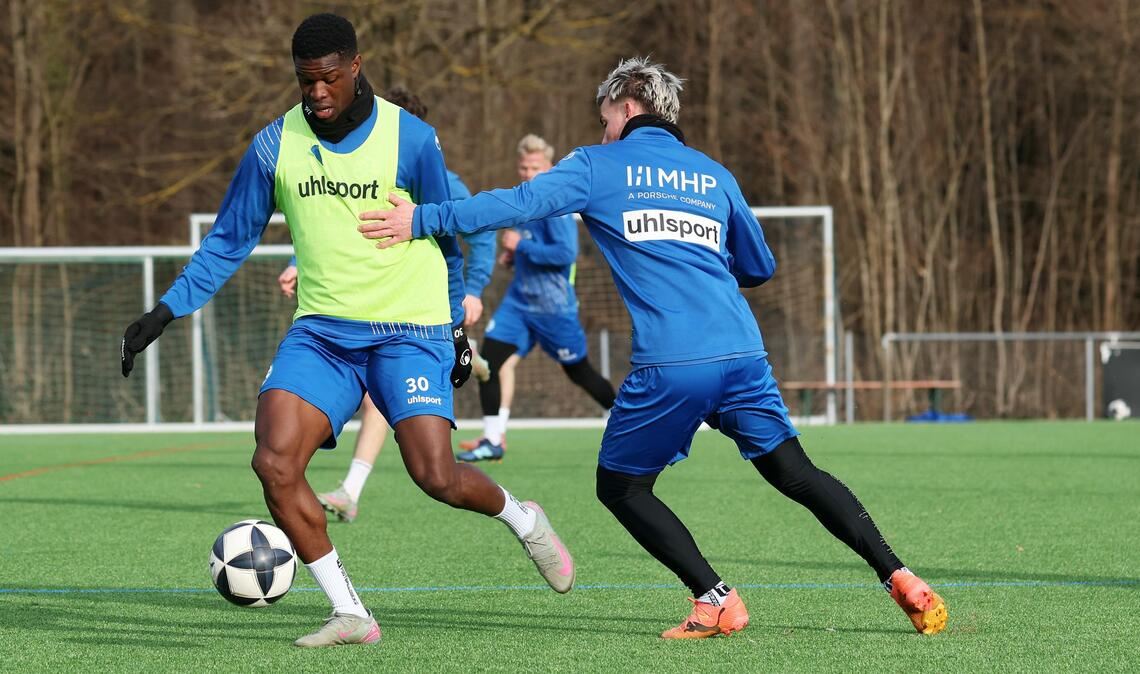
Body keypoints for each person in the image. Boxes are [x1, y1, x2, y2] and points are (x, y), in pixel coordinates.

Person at [355, 56, 948, 639]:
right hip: (742, 352)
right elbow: (759, 265)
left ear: (627, 104)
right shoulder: (712, 173)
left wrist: (424, 218)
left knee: (621, 488)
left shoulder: (597, 165)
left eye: (605, 116)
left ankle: (716, 599)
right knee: (796, 472)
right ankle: (900, 574)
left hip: (672, 362)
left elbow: (519, 203)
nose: (602, 129)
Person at [120, 13, 573, 647]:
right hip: (322, 334)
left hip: (408, 330)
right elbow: (227, 241)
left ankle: (523, 519)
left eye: (329, 79)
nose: (318, 94)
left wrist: (453, 328)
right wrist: (164, 311)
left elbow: (445, 232)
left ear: (355, 67)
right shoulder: (274, 145)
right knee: (274, 462)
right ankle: (350, 612)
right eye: (306, 82)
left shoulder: (410, 138)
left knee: (436, 476)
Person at [281, 86, 496, 523]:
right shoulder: (352, 161)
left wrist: (472, 291)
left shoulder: (442, 178)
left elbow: (476, 235)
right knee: (371, 402)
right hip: (363, 312)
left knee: (421, 454)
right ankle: (350, 489)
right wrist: (296, 261)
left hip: (419, 316)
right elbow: (334, 223)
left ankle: (350, 489)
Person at [455, 134, 616, 463]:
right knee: (491, 363)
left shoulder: (556, 207)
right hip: (519, 303)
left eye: (535, 168)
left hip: (553, 308)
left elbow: (565, 253)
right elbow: (525, 246)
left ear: (550, 168)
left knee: (579, 372)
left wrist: (521, 247)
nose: (528, 174)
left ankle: (626, 419)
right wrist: (514, 258)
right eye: (524, 167)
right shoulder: (525, 202)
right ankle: (492, 438)